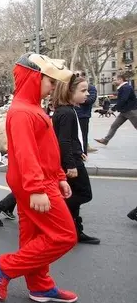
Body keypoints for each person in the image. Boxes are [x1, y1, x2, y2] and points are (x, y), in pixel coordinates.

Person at [0, 53, 78, 303]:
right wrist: (38, 187)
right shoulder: (22, 111)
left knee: (34, 237)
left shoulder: (29, 108)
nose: (52, 87)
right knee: (64, 236)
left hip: (37, 182)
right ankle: (4, 267)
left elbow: (45, 149)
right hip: (35, 184)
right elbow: (26, 154)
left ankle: (40, 286)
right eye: (49, 82)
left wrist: (59, 176)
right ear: (34, 78)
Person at [51, 75, 100, 245]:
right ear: (69, 92)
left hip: (73, 157)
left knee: (74, 195)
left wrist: (80, 151)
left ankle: (74, 231)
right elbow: (63, 140)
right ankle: (57, 217)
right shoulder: (66, 113)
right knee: (84, 194)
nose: (87, 94)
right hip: (70, 162)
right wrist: (71, 163)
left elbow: (71, 138)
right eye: (83, 90)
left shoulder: (67, 110)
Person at [94, 72, 137, 146]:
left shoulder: (126, 87)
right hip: (124, 111)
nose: (113, 81)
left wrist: (113, 109)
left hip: (131, 111)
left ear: (120, 79)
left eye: (114, 80)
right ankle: (105, 140)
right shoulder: (123, 88)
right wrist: (114, 108)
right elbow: (121, 100)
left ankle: (105, 140)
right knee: (114, 125)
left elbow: (123, 100)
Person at [72, 71, 97, 154]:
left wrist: (77, 99)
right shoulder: (72, 87)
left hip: (83, 115)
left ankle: (84, 153)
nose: (77, 77)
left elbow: (91, 100)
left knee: (83, 136)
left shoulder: (91, 88)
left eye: (78, 75)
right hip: (72, 113)